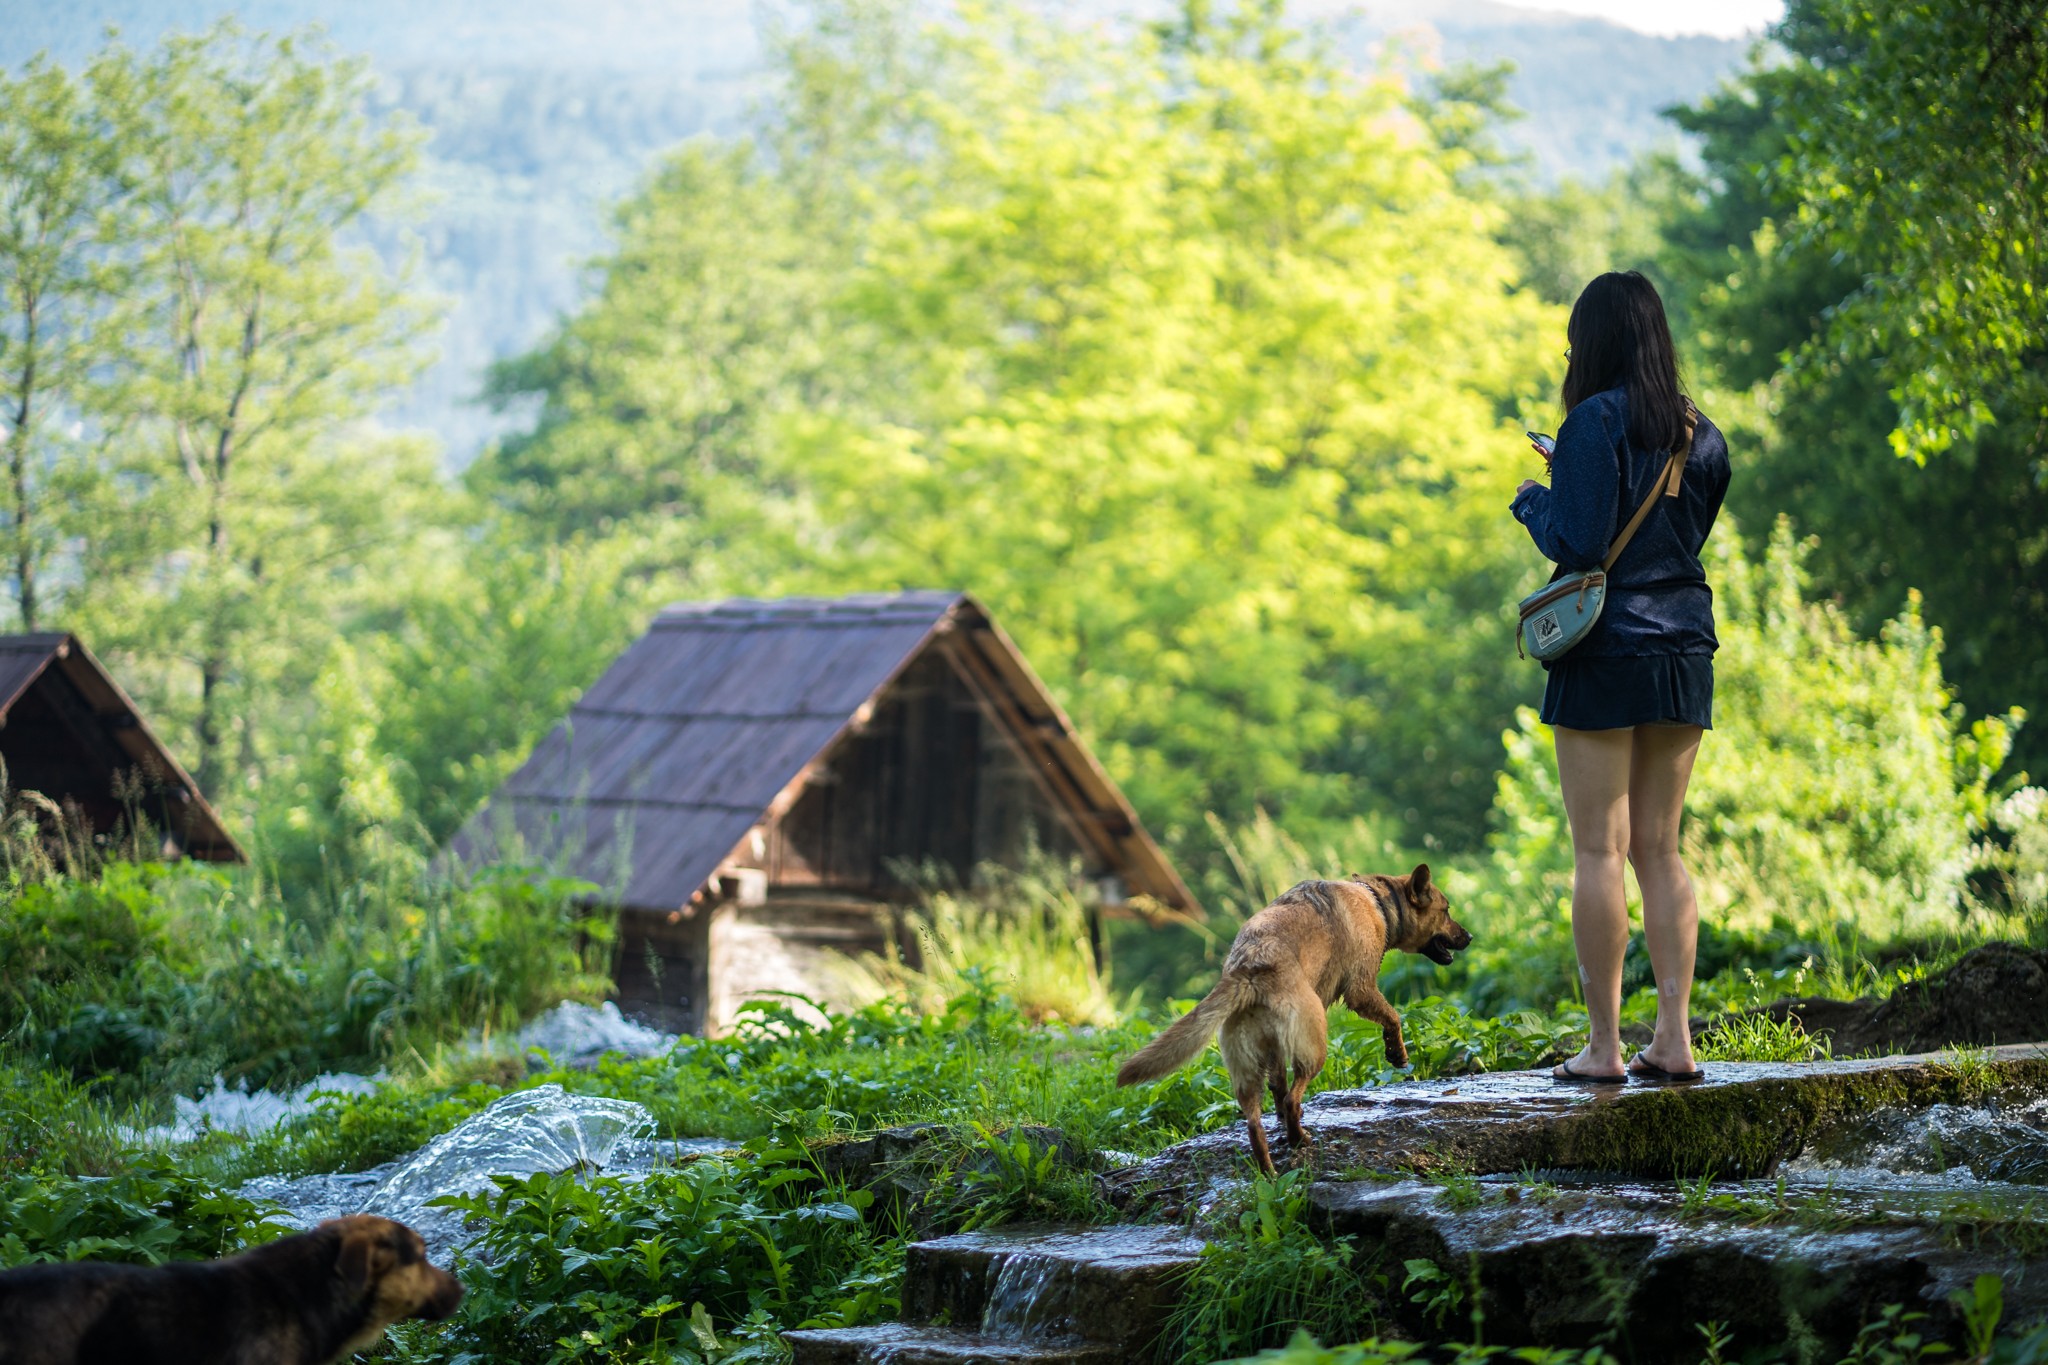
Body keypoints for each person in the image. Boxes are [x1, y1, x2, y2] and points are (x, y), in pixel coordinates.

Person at [1509, 270, 1731, 1085]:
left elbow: (1579, 541)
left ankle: (1603, 1048)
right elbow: (1684, 537)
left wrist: (1537, 496)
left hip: (1605, 650)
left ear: (1594, 343)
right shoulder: (1704, 435)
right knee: (1661, 850)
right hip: (1683, 650)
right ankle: (1673, 1038)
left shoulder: (1590, 422)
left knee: (1599, 850)